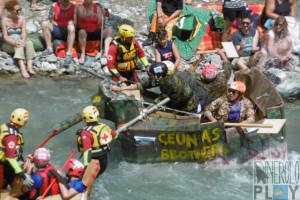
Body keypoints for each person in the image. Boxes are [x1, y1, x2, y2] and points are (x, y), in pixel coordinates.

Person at [76, 106, 118, 177]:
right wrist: (119, 137)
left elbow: (87, 150)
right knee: (96, 175)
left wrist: (86, 165)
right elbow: (115, 135)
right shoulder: (103, 126)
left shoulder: (86, 133)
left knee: (86, 178)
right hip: (104, 160)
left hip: (94, 160)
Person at [1, 0, 37, 78]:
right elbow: (5, 37)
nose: (19, 12)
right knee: (19, 45)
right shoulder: (4, 21)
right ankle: (23, 68)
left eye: (20, 9)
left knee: (29, 43)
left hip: (19, 40)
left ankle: (29, 67)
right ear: (10, 10)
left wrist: (23, 40)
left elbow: (24, 33)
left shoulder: (22, 18)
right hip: (8, 43)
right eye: (16, 10)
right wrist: (14, 43)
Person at [0, 108, 34, 189]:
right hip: (4, 165)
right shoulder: (12, 136)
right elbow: (10, 157)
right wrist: (22, 175)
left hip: (6, 164)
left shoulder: (5, 126)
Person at [40, 0, 76, 66]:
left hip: (67, 31)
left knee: (72, 27)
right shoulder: (55, 5)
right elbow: (50, 18)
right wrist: (52, 21)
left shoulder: (73, 7)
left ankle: (68, 53)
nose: (65, 2)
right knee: (44, 24)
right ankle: (49, 48)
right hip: (57, 28)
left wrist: (72, 22)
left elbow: (76, 22)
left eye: (67, 1)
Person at [76, 0, 113, 64]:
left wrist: (102, 15)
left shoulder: (97, 7)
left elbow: (100, 22)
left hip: (95, 30)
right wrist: (91, 15)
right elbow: (81, 17)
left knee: (109, 30)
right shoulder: (81, 7)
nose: (89, 1)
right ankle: (83, 54)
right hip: (85, 31)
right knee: (82, 32)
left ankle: (106, 53)